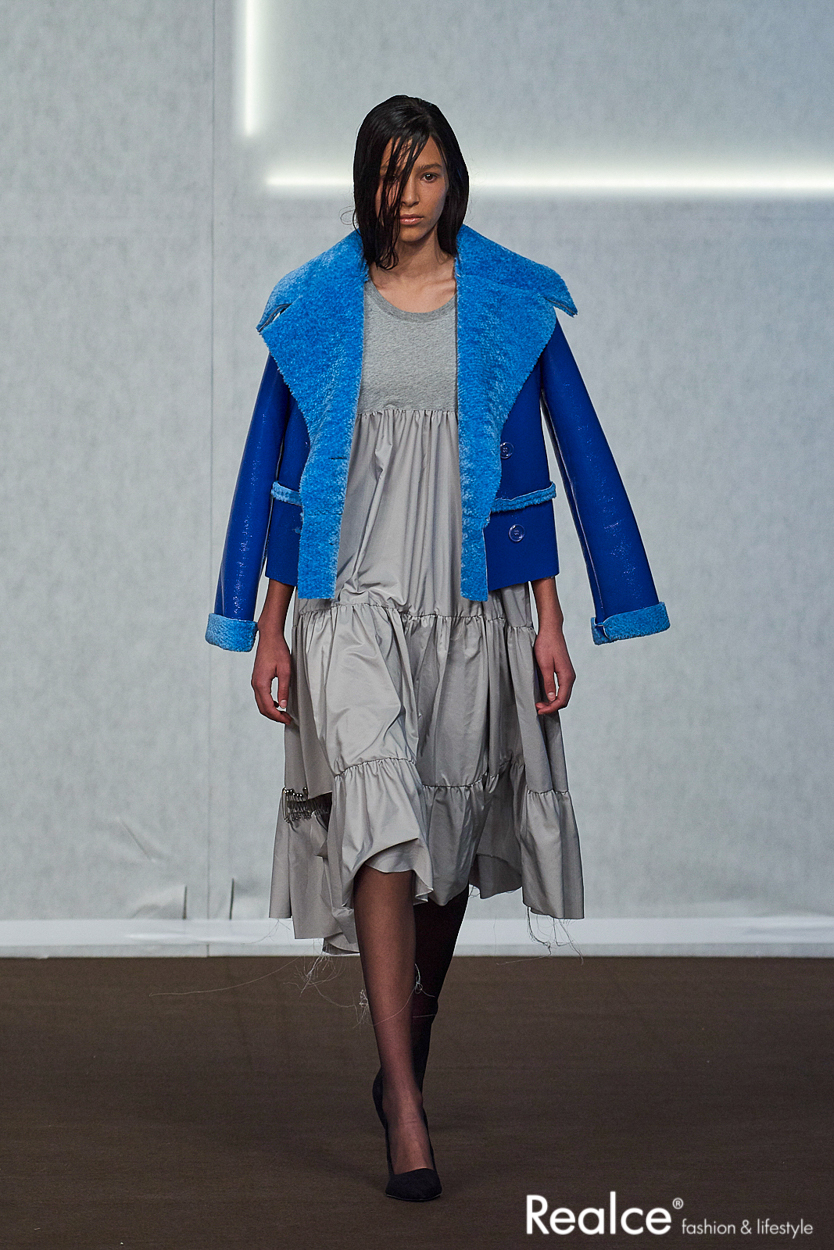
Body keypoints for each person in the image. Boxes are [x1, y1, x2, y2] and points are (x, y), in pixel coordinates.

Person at [206, 96, 668, 1201]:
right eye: (390, 175)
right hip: (351, 597)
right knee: (381, 820)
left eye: (426, 175)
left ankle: (402, 1048)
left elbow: (549, 467)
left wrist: (552, 619)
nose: (408, 197)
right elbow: (284, 472)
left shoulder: (506, 300)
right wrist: (267, 624)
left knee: (444, 843)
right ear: (363, 182)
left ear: (453, 179)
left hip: (469, 602)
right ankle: (407, 1106)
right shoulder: (319, 305)